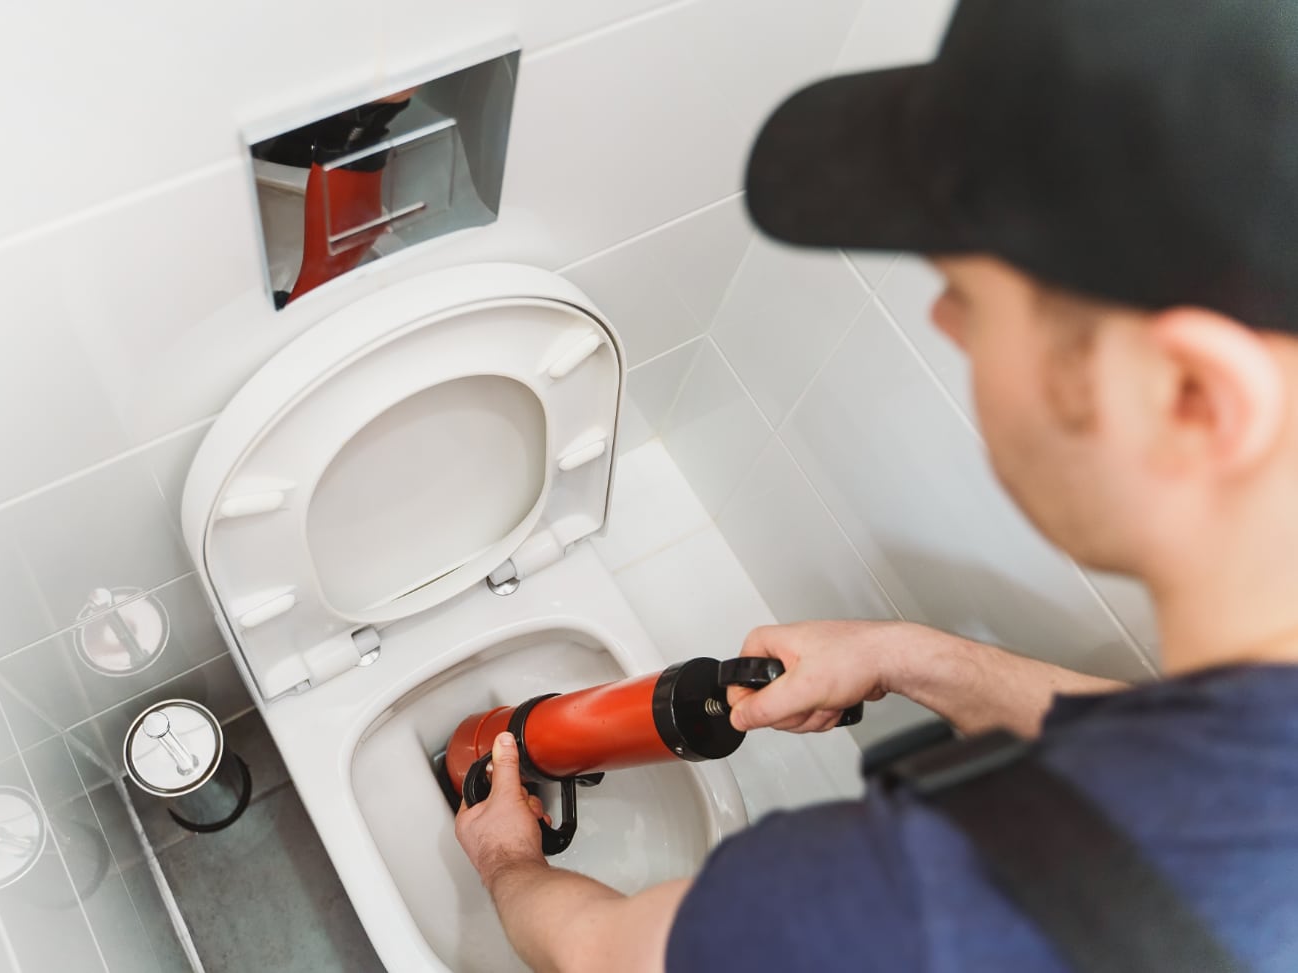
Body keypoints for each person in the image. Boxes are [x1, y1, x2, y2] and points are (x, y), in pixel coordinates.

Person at [454, 0, 1298, 969]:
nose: (944, 322)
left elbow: (604, 955)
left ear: (1193, 396)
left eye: (972, 295)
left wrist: (507, 861)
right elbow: (1178, 762)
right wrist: (906, 655)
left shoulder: (917, 915)